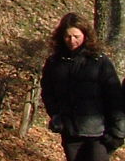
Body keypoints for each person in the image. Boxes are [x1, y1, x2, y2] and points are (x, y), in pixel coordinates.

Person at [42, 12, 125, 161]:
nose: (71, 41)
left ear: (85, 35)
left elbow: (114, 97)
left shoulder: (99, 61)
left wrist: (118, 132)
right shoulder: (54, 62)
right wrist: (56, 115)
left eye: (76, 36)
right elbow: (48, 92)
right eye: (68, 36)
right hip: (70, 132)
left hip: (99, 134)